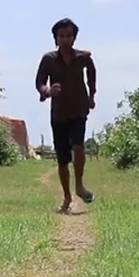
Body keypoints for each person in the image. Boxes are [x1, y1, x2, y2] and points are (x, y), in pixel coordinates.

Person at [36, 17, 96, 214]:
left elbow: (92, 70)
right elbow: (39, 82)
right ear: (55, 38)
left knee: (78, 148)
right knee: (62, 159)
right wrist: (47, 91)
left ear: (74, 37)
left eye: (69, 35)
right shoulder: (48, 60)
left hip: (79, 109)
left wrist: (92, 95)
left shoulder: (83, 57)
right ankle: (67, 196)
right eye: (61, 36)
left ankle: (79, 186)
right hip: (59, 114)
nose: (65, 39)